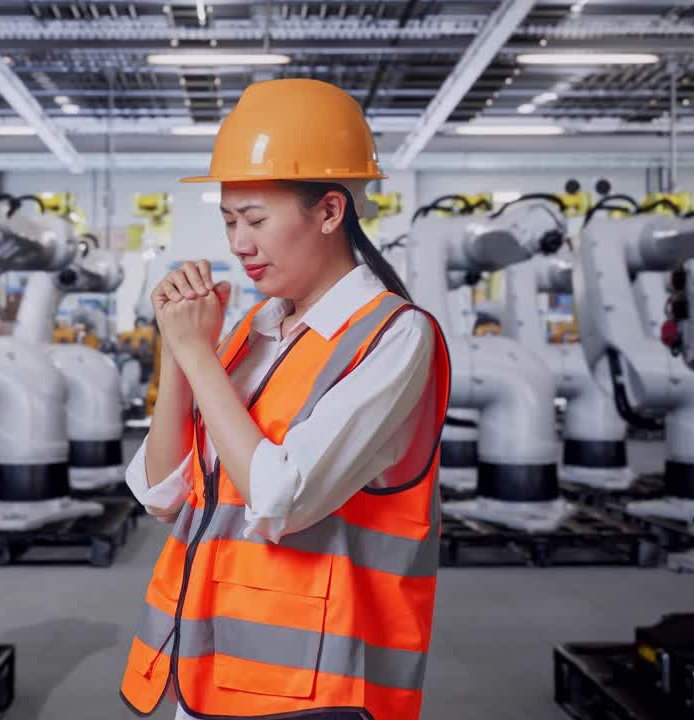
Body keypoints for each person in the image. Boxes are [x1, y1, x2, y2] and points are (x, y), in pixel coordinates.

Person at [120, 78, 452, 720]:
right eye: (227, 221)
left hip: (314, 689)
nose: (238, 244)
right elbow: (164, 494)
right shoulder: (254, 332)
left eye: (255, 220)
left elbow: (280, 499)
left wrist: (197, 358)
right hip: (208, 668)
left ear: (329, 212)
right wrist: (180, 356)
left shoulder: (395, 337)